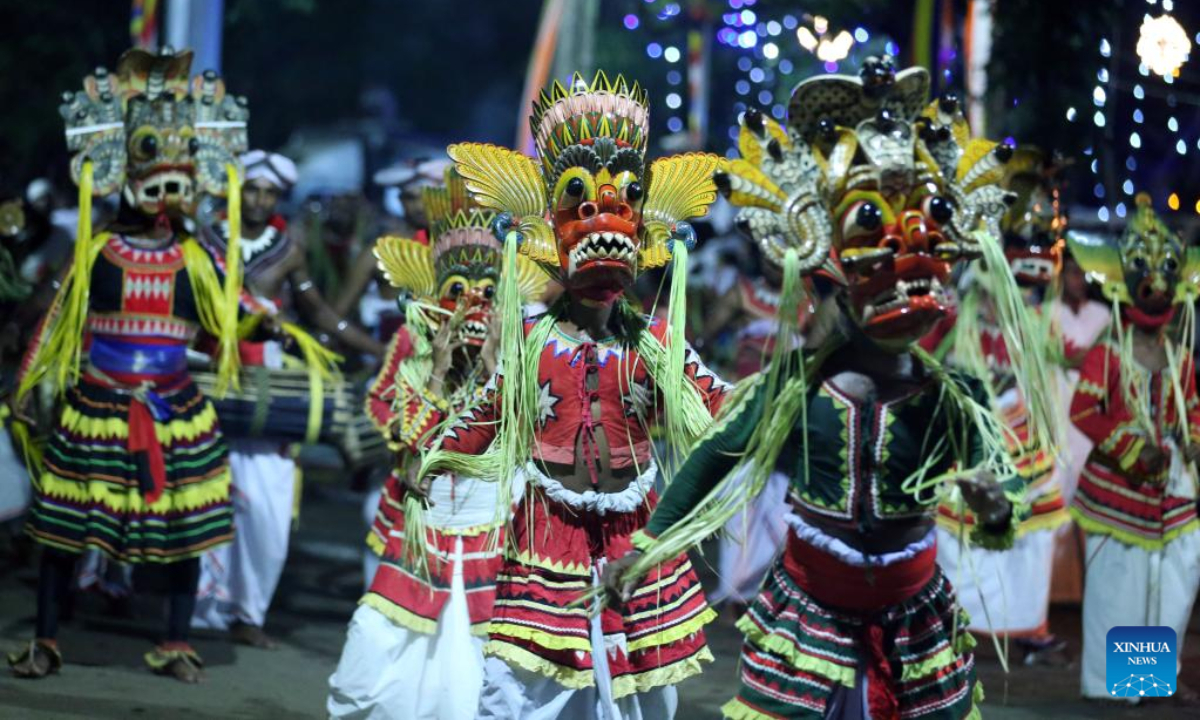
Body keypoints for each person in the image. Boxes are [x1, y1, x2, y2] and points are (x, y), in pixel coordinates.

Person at [607, 57, 1040, 719]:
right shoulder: (792, 391)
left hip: (915, 620)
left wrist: (994, 505)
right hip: (809, 616)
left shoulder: (952, 397)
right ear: (831, 284)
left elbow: (1003, 480)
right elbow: (715, 456)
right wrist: (646, 546)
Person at [418, 70, 728, 718]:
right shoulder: (530, 341)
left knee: (645, 696)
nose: (602, 217)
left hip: (633, 535)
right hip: (545, 534)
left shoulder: (657, 345)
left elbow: (724, 409)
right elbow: (485, 412)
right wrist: (437, 455)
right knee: (520, 691)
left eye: (623, 203)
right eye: (579, 203)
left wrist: (790, 390)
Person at [6, 47, 249, 682]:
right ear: (122, 171)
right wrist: (26, 387)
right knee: (63, 531)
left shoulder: (198, 256)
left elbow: (237, 318)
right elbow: (56, 320)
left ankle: (175, 643)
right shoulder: (97, 250)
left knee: (184, 530)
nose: (165, 188)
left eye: (178, 174)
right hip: (96, 408)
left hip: (174, 411)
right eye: (153, 168)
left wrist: (245, 296)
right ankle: (46, 640)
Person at [327, 167, 549, 719]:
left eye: (486, 293)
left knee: (479, 640)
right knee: (386, 634)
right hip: (421, 520)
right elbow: (399, 423)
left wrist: (499, 366)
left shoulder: (523, 348)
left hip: (489, 520)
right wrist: (436, 373)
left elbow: (526, 436)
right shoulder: (414, 339)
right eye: (458, 292)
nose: (471, 304)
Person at [190, 149, 382, 648]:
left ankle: (248, 614)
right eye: (251, 189)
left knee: (269, 514)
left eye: (268, 192)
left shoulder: (288, 250)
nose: (258, 200)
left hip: (271, 393)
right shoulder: (204, 240)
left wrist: (379, 349)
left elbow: (320, 313)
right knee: (203, 499)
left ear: (279, 197)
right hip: (207, 378)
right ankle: (199, 609)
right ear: (237, 191)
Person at [923, 148, 1070, 664]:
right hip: (973, 432)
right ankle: (952, 627)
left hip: (1021, 433)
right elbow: (928, 350)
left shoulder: (1035, 317)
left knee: (1032, 536)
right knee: (960, 532)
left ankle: (1031, 631)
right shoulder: (959, 306)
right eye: (1017, 241)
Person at [1066, 195, 1200, 703]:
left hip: (1171, 495)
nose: (1158, 286)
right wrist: (1130, 447)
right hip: (1118, 493)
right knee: (1118, 595)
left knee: (1167, 593)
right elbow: (1083, 410)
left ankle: (1150, 678)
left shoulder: (1179, 355)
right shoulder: (1109, 350)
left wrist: (1194, 444)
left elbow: (1192, 408)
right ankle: (1119, 689)